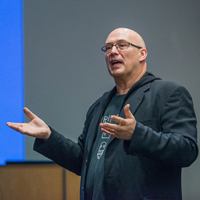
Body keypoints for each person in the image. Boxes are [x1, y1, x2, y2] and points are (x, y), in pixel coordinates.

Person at [7, 28, 198, 200]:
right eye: (107, 48)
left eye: (122, 45)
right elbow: (83, 161)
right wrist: (49, 136)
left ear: (142, 54)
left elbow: (186, 151)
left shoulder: (167, 94)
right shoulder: (100, 105)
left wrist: (137, 134)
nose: (113, 51)